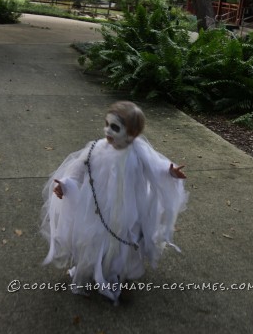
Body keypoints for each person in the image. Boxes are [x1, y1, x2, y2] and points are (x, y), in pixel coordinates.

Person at [40, 101, 188, 304]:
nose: (107, 130)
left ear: (132, 133)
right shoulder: (96, 149)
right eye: (107, 124)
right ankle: (95, 268)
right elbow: (78, 170)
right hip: (97, 207)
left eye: (115, 127)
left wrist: (169, 171)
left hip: (128, 209)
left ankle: (121, 275)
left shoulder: (138, 152)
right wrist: (66, 184)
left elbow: (157, 166)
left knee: (125, 240)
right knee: (96, 237)